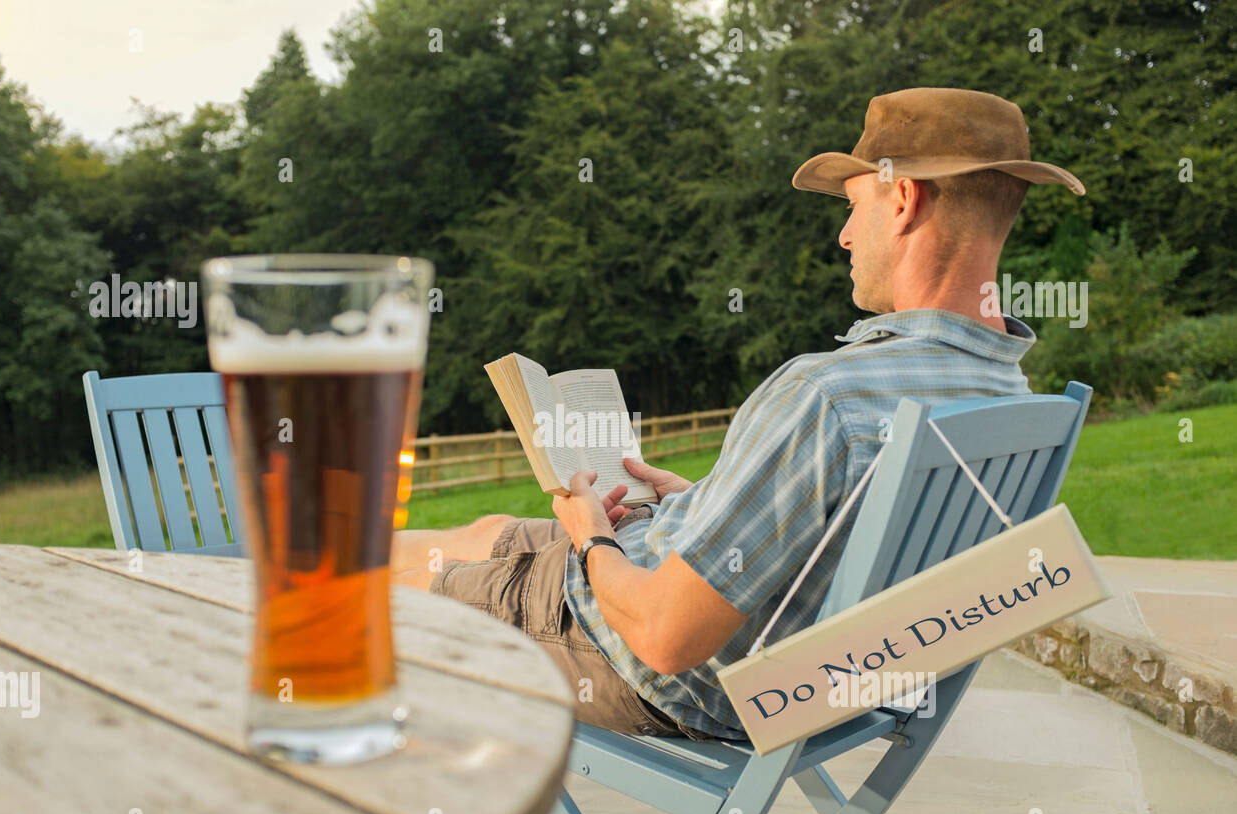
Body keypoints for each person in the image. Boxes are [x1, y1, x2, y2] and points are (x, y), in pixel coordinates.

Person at [392, 87, 1085, 741]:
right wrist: (706, 504)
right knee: (482, 530)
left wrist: (591, 539)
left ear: (902, 200)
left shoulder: (830, 395)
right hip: (811, 675)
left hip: (670, 672)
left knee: (384, 594)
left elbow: (666, 637)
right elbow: (845, 538)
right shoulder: (1010, 397)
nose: (845, 236)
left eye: (853, 206)